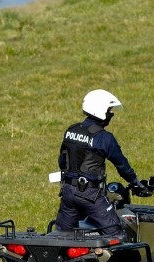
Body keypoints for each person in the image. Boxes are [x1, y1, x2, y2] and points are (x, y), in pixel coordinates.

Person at [55, 89, 145, 235]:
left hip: (68, 193)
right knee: (116, 234)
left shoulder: (71, 130)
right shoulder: (104, 138)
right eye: (109, 110)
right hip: (90, 196)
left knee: (62, 235)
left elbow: (62, 160)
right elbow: (122, 166)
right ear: (100, 111)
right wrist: (135, 182)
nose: (112, 114)